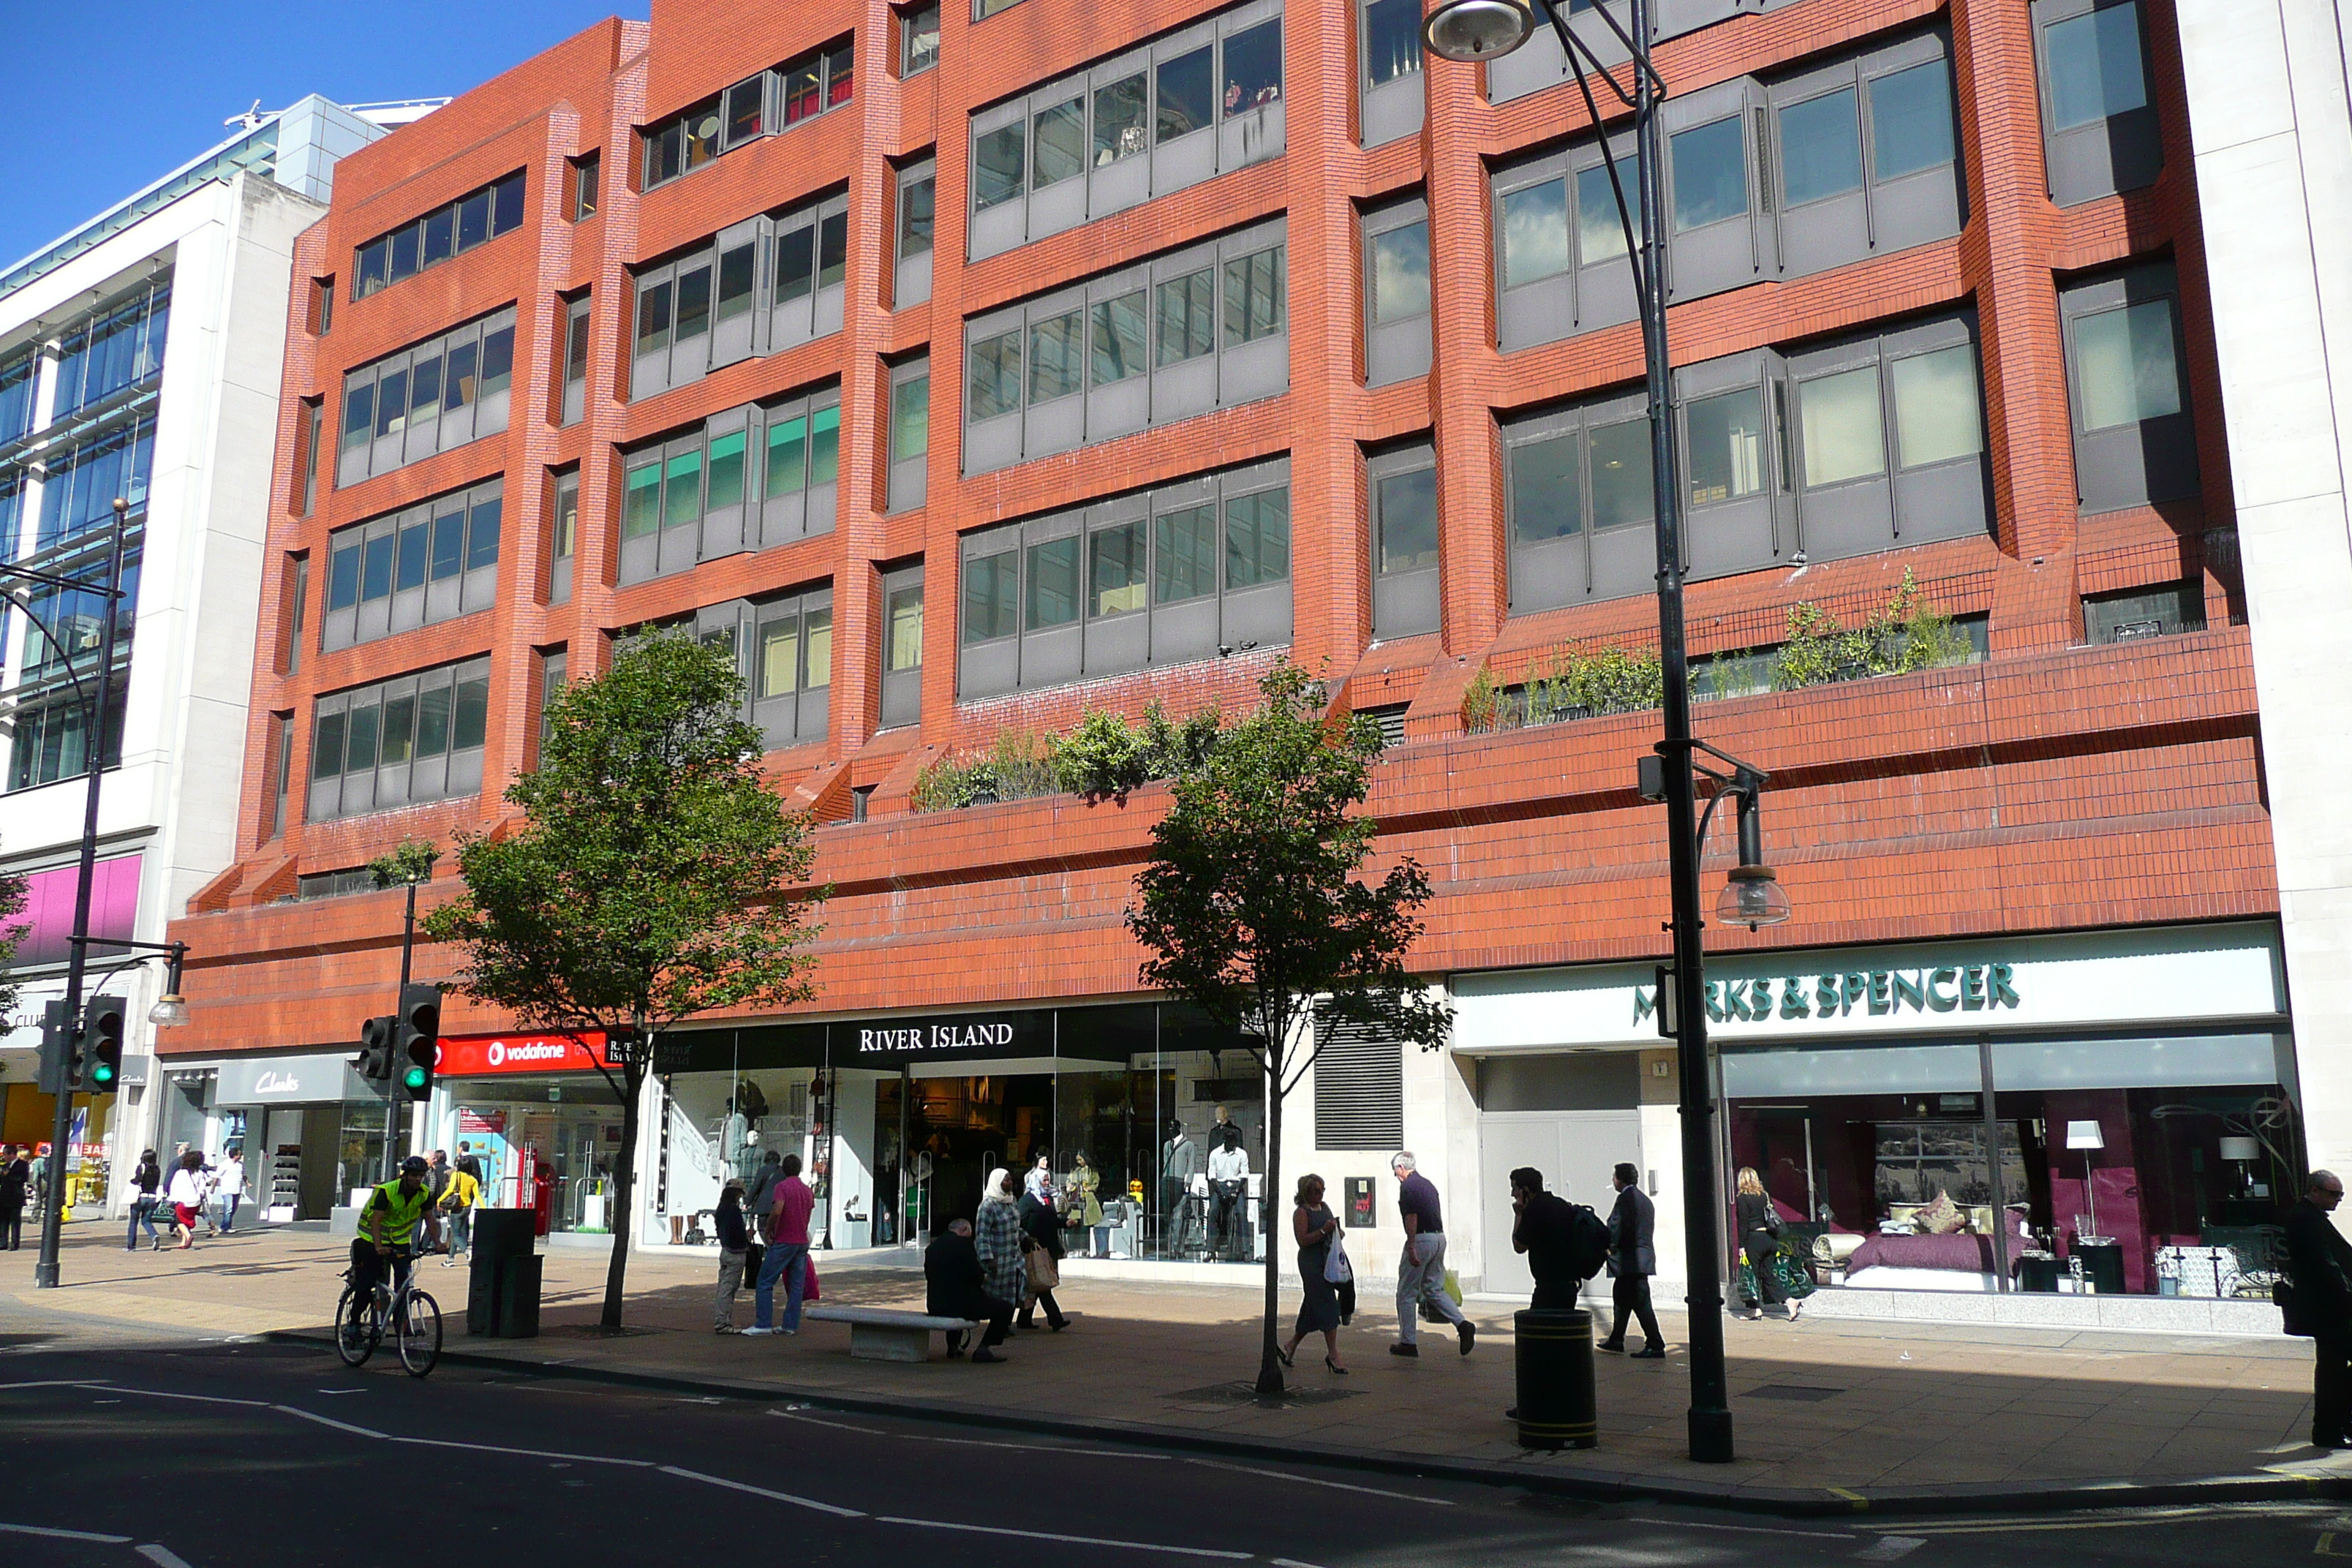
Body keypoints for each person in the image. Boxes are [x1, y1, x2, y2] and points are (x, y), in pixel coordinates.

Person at [2285, 1169, 2352, 1449]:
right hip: (2330, 1312)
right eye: (2333, 1194)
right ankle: (2332, 1427)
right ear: (2315, 1191)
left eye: (2341, 1195)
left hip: (2330, 1311)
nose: (2338, 1200)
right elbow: (2325, 1267)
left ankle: (2333, 1426)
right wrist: (2347, 1294)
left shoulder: (2311, 1218)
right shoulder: (2305, 1220)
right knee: (2331, 1371)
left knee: (2332, 1370)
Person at [1390, 1151, 1474, 1358]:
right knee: (1433, 1287)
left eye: (1395, 1172)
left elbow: (1411, 1216)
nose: (1396, 1176)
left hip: (1422, 1239)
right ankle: (1462, 1324)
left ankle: (1408, 1342)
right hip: (1439, 1237)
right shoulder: (1428, 1185)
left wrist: (1411, 1245)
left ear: (1402, 1168)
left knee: (1406, 1292)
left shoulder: (1408, 1187)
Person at [347, 1156, 434, 1327]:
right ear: (405, 1176)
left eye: (421, 1176)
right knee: (368, 1282)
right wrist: (378, 1246)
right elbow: (376, 1221)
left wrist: (438, 1243)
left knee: (404, 1283)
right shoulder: (386, 1191)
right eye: (414, 1175)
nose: (418, 1179)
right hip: (371, 1239)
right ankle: (354, 1323)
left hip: (400, 1241)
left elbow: (430, 1219)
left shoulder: (423, 1193)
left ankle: (400, 1322)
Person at [1277, 1174, 1347, 1375]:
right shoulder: (1301, 1212)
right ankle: (1333, 1354)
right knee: (1328, 1304)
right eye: (1317, 1190)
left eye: (1323, 1189)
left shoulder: (1324, 1208)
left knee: (1311, 1306)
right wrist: (1324, 1231)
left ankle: (1291, 1345)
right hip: (1311, 1263)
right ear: (1306, 1192)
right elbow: (1303, 1240)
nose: (1321, 1193)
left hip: (1327, 1260)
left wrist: (1337, 1232)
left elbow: (1335, 1229)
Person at [926, 1216, 1014, 1362]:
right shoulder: (964, 1244)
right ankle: (984, 1349)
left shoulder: (932, 1247)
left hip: (935, 1305)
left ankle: (953, 1346)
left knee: (955, 1303)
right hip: (963, 1305)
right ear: (964, 1229)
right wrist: (982, 1277)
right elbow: (976, 1275)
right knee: (1004, 1308)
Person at [745, 1153, 813, 1337]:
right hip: (801, 1241)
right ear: (799, 1170)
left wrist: (769, 1231)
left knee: (765, 1281)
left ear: (783, 1169)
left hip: (785, 1239)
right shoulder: (807, 1190)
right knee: (796, 1285)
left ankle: (763, 1323)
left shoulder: (781, 1187)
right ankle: (790, 1324)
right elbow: (808, 1214)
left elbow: (777, 1211)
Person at [1599, 1163, 1665, 1356]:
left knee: (1641, 1304)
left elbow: (1616, 1226)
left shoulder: (1625, 1200)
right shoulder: (1645, 1200)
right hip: (1641, 1260)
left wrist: (1608, 1247)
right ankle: (1616, 1339)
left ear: (1620, 1179)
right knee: (1622, 1300)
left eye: (1614, 1177)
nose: (1613, 1180)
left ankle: (1655, 1344)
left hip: (1630, 1261)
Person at [1507, 1166, 1585, 1309]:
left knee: (1538, 1328)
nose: (1513, 1194)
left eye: (1515, 1189)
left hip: (1549, 1287)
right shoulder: (1562, 1204)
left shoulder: (1534, 1210)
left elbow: (1519, 1246)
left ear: (1526, 1190)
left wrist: (1519, 1215)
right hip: (1569, 1285)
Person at [1735, 1166, 1798, 1322]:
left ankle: (1754, 1309)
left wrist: (1742, 1245)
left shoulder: (1743, 1198)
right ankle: (1790, 1301)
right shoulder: (1765, 1196)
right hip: (1769, 1239)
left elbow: (1743, 1223)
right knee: (1768, 1275)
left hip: (1754, 1239)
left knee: (1752, 1275)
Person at [1015, 1164, 1071, 1331]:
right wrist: (1026, 1239)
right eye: (1044, 1180)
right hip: (1034, 1249)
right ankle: (1056, 1319)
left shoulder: (1047, 1198)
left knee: (1037, 1285)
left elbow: (1050, 1221)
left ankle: (1024, 1320)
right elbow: (1018, 1223)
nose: (1047, 1183)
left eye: (1048, 1180)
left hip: (1048, 1249)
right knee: (1042, 1285)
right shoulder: (1027, 1201)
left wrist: (1066, 1224)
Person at [1207, 1126, 1250, 1262]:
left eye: (1234, 1142)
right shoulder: (1215, 1154)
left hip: (1236, 1185)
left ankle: (1245, 1251)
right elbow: (1212, 1175)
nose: (1232, 1145)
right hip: (1220, 1185)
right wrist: (1220, 1192)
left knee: (1241, 1213)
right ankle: (1211, 1250)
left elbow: (1244, 1175)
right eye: (1229, 1141)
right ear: (1225, 1141)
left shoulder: (1242, 1154)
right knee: (1212, 1212)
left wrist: (1236, 1191)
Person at [712, 1180, 750, 1333]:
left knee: (723, 1287)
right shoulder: (733, 1211)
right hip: (736, 1253)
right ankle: (722, 1323)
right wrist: (747, 1237)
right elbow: (737, 1232)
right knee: (729, 1289)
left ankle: (723, 1320)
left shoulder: (721, 1209)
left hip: (725, 1251)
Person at [1161, 1121, 1202, 1258]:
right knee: (1168, 1216)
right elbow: (1165, 1161)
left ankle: (1179, 1247)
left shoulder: (1188, 1145)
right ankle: (1170, 1248)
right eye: (1169, 1129)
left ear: (1178, 1129)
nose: (1171, 1131)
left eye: (1173, 1128)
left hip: (1179, 1181)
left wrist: (1188, 1182)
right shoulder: (1167, 1145)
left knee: (1180, 1215)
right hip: (1167, 1180)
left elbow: (1191, 1165)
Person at [437, 1155, 482, 1267]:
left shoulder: (456, 1175)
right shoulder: (473, 1179)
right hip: (467, 1207)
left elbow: (451, 1189)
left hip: (457, 1207)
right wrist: (484, 1208)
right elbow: (477, 1195)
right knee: (455, 1232)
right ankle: (450, 1259)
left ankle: (467, 1251)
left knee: (456, 1233)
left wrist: (440, 1200)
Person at [165, 1150, 209, 1251]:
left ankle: (188, 1236)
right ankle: (183, 1242)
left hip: (183, 1201)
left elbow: (174, 1187)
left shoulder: (180, 1173)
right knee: (188, 1221)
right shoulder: (201, 1173)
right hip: (196, 1201)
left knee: (179, 1221)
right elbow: (203, 1187)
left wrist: (170, 1199)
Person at [125, 1149, 163, 1252]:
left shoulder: (142, 1167)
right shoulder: (157, 1169)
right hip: (152, 1198)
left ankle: (131, 1246)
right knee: (146, 1221)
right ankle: (154, 1235)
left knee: (134, 1221)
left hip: (140, 1197)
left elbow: (137, 1180)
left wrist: (132, 1181)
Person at [1066, 1152, 1104, 1256]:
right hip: (1076, 1199)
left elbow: (1096, 1183)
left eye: (1081, 1159)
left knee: (1086, 1225)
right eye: (1078, 1160)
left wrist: (1089, 1188)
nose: (1079, 1162)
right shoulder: (1075, 1170)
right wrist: (1072, 1186)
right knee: (1074, 1224)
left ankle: (1086, 1248)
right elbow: (1069, 1181)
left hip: (1088, 1199)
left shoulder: (1092, 1171)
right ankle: (1074, 1248)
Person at [746, 1149, 784, 1236]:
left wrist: (747, 1202)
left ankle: (768, 1246)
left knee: (762, 1229)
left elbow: (755, 1187)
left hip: (763, 1206)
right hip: (778, 1205)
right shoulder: (783, 1171)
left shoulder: (763, 1170)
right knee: (776, 1230)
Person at [212, 1147, 247, 1237]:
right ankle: (227, 1227)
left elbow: (244, 1175)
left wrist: (248, 1183)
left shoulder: (241, 1165)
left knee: (234, 1208)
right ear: (235, 1155)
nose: (240, 1156)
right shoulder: (224, 1165)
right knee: (229, 1208)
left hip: (237, 1189)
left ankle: (224, 1226)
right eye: (239, 1154)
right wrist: (213, 1188)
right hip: (227, 1190)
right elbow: (216, 1177)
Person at [0, 1147, 26, 1251]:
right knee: (3, 1221)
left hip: (15, 1196)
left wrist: (8, 1175)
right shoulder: (5, 1165)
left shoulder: (22, 1165)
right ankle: (3, 1242)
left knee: (15, 1221)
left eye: (5, 1154)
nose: (4, 1157)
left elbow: (22, 1179)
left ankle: (15, 1243)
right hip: (4, 1197)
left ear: (12, 1154)